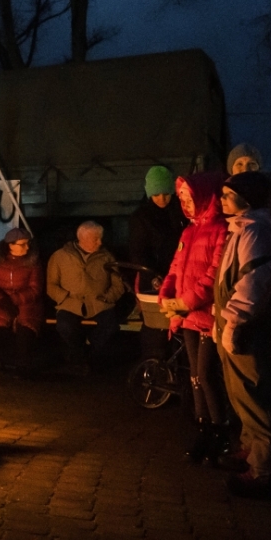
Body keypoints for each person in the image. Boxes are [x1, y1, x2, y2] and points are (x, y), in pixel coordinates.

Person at [212, 172, 271, 498]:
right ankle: (250, 449)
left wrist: (234, 321)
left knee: (254, 395)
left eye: (228, 195)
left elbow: (255, 281)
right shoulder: (241, 229)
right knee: (240, 393)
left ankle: (263, 469)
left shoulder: (256, 231)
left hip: (247, 330)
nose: (222, 200)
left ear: (247, 198)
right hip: (234, 326)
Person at [159, 174, 232, 462]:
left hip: (205, 314)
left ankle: (220, 429)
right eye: (183, 199)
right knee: (194, 376)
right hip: (187, 315)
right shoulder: (188, 233)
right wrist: (166, 296)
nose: (186, 203)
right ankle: (204, 428)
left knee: (207, 374)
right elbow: (176, 268)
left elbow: (214, 274)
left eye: (191, 198)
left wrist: (187, 301)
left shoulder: (220, 229)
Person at [48, 221, 128, 372]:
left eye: (100, 238)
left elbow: (118, 285)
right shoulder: (60, 256)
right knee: (65, 326)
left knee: (110, 326)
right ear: (82, 239)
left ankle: (90, 353)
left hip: (99, 303)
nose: (100, 242)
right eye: (96, 238)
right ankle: (79, 354)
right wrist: (64, 298)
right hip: (70, 303)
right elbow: (51, 284)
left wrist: (107, 298)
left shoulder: (107, 257)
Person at [128, 166, 188, 359]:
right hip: (153, 281)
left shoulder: (180, 213)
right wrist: (153, 276)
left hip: (179, 279)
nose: (162, 199)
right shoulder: (141, 217)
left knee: (178, 327)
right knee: (156, 330)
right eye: (157, 194)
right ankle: (156, 369)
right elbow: (137, 252)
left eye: (166, 193)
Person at [0, 228, 45, 373]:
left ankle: (23, 364)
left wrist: (13, 299)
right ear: (11, 245)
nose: (27, 247)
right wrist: (1, 300)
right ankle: (2, 361)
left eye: (28, 243)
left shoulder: (33, 263)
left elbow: (35, 288)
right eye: (22, 244)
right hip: (2, 304)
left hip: (27, 304)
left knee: (25, 331)